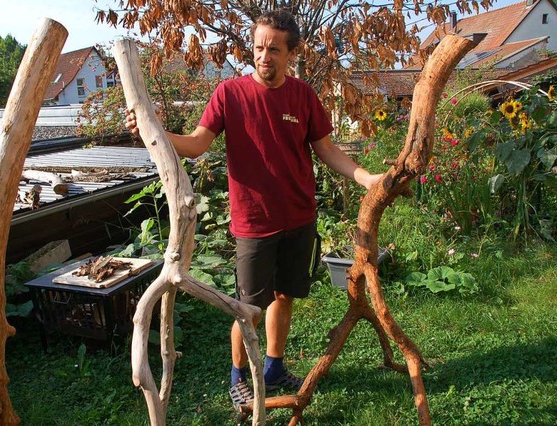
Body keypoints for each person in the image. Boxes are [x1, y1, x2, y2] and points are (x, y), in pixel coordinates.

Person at [125, 10, 381, 411]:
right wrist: (151, 130)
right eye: (259, 47)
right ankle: (238, 378)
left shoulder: (302, 96)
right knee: (248, 308)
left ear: (290, 54)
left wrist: (365, 177)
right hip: (254, 223)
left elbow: (326, 148)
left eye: (274, 49)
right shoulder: (229, 94)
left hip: (299, 217)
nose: (264, 56)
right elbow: (196, 144)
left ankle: (275, 367)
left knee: (284, 295)